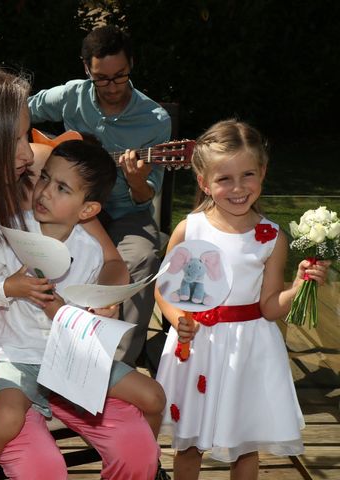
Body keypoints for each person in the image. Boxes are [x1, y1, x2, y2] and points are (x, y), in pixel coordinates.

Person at [0, 65, 160, 479]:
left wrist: (102, 299)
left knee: (136, 445)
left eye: (27, 134)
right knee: (41, 464)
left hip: (50, 337)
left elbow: (111, 262)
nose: (28, 153)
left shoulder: (40, 175)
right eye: (13, 140)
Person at [0, 140, 166, 480]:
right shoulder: (10, 229)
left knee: (153, 396)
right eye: (45, 179)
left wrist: (101, 312)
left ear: (87, 210)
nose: (44, 192)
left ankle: (149, 468)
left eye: (62, 188)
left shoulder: (90, 250)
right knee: (8, 419)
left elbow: (81, 318)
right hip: (17, 355)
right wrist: (9, 286)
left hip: (69, 358)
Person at [154, 119, 330, 480]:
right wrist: (175, 319)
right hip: (199, 345)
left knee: (245, 443)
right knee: (188, 442)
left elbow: (269, 307)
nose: (238, 188)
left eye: (247, 174)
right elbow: (164, 288)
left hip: (248, 347)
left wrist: (297, 286)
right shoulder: (190, 228)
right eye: (224, 179)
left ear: (262, 173)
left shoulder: (271, 237)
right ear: (204, 182)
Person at [28, 24, 172, 366]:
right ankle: (41, 353)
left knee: (141, 259)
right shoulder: (71, 96)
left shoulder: (154, 120)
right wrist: (34, 152)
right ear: (85, 69)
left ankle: (113, 366)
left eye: (119, 76)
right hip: (67, 208)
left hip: (124, 214)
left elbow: (146, 196)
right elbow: (21, 110)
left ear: (131, 65)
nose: (110, 87)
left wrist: (136, 179)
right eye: (100, 78)